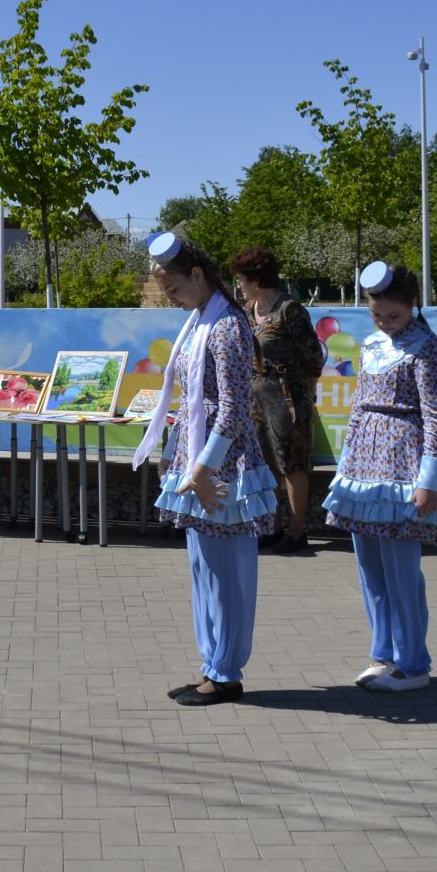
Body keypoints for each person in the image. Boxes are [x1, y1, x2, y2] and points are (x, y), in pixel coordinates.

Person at [133, 231, 278, 707]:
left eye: (174, 290)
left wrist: (201, 467)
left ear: (197, 275)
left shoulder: (227, 326)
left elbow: (235, 408)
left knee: (227, 575)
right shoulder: (200, 321)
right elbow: (192, 400)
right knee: (204, 569)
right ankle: (212, 665)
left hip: (223, 465)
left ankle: (227, 671)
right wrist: (175, 456)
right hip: (201, 459)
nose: (172, 301)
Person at [322, 261, 437, 693]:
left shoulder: (425, 347)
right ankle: (384, 654)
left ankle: (413, 663)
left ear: (412, 306)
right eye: (377, 314)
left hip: (402, 466)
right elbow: (359, 406)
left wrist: (428, 479)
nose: (385, 323)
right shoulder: (371, 344)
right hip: (363, 469)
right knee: (370, 569)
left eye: (393, 316)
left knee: (402, 572)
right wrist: (346, 466)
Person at [230, 246, 323, 554]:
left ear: (256, 280)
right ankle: (273, 525)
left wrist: (303, 391)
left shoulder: (289, 309)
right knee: (265, 462)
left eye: (242, 279)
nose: (239, 285)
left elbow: (314, 356)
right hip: (256, 397)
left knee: (292, 463)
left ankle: (298, 532)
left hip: (288, 397)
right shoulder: (246, 311)